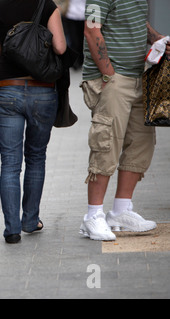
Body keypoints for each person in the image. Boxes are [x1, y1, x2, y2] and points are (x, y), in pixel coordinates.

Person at [79, 0, 170, 241]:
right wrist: (109, 75)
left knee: (141, 142)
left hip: (139, 76)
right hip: (113, 79)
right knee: (107, 142)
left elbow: (138, 22)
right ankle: (93, 215)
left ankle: (120, 211)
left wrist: (157, 38)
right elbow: (91, 29)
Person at [0, 0, 66, 244]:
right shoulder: (47, 5)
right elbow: (61, 48)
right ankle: (30, 220)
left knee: (10, 163)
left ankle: (11, 229)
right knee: (35, 157)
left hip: (8, 90)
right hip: (42, 91)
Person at [61, 0, 85, 69]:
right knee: (73, 40)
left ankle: (81, 59)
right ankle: (75, 61)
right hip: (71, 15)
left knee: (82, 40)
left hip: (84, 16)